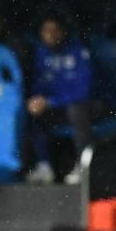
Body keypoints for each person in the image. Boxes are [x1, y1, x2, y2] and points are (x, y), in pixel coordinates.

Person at [26, 16, 92, 185]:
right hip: (58, 107)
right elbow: (38, 86)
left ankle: (83, 167)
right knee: (33, 112)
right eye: (46, 30)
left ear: (63, 32)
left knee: (77, 110)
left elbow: (82, 91)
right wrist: (37, 101)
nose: (51, 34)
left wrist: (51, 102)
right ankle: (43, 166)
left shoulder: (78, 52)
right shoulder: (40, 54)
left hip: (89, 106)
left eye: (55, 30)